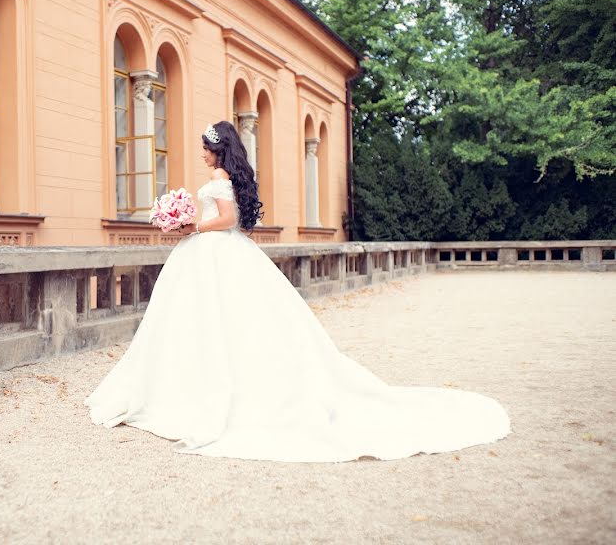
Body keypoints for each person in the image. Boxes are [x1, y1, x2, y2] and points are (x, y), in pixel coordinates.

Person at [85, 121, 510, 462]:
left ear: (219, 150)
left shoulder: (218, 179)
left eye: (205, 147)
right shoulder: (225, 176)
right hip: (214, 254)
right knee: (208, 320)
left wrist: (189, 225)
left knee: (214, 320)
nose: (202, 153)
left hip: (215, 249)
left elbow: (228, 219)